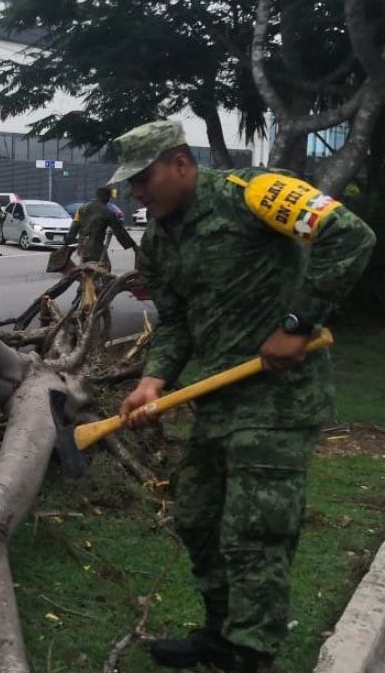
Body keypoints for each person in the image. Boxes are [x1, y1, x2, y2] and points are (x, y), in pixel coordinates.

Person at [114, 121, 376, 673]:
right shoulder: (158, 241)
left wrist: (297, 324)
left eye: (143, 179)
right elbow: (176, 322)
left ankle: (250, 653)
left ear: (180, 164)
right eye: (129, 184)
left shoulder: (255, 193)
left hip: (280, 401)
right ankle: (221, 632)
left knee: (255, 530)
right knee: (198, 517)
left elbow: (350, 235)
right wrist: (153, 380)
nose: (136, 193)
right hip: (218, 399)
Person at [64, 186, 138, 269]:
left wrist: (66, 243)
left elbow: (74, 226)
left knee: (85, 268)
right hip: (96, 249)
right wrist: (133, 245)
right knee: (105, 268)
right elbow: (120, 232)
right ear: (107, 198)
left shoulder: (81, 209)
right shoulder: (108, 213)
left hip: (82, 247)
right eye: (109, 198)